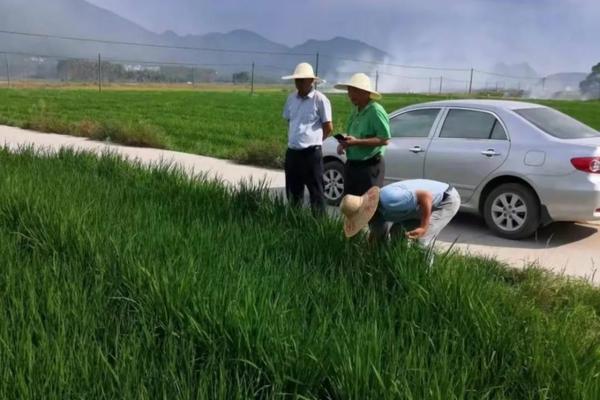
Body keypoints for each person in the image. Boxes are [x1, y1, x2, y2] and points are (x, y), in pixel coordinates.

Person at [333, 73, 390, 227]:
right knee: (351, 206)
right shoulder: (355, 110)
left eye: (355, 92)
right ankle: (353, 238)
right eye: (350, 91)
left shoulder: (375, 111)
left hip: (370, 166)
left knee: (371, 209)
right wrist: (344, 143)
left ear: (366, 93)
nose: (351, 96)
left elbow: (384, 139)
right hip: (353, 165)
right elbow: (354, 136)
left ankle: (376, 243)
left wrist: (357, 142)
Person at [340, 179, 461, 250]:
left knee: (422, 241)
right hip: (419, 208)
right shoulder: (376, 217)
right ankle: (400, 264)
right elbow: (377, 236)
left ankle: (426, 275)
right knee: (397, 232)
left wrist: (424, 227)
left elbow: (425, 196)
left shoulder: (389, 199)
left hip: (445, 200)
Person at [281, 62, 333, 215]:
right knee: (293, 192)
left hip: (311, 154)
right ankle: (295, 222)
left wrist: (315, 141)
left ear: (311, 81)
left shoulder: (320, 99)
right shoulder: (291, 99)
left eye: (302, 80)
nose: (299, 83)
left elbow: (328, 126)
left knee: (316, 193)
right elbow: (290, 121)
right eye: (297, 80)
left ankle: (318, 227)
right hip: (293, 152)